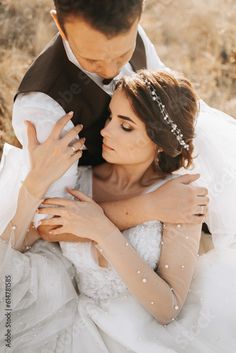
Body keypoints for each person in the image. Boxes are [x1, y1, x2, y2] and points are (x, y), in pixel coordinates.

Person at [1, 70, 236, 353]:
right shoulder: (79, 179)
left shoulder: (180, 198)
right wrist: (36, 180)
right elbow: (27, 239)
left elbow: (168, 309)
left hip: (144, 338)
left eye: (126, 126)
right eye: (110, 117)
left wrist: (104, 231)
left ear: (160, 142)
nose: (104, 131)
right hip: (70, 322)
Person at [12, 0, 211, 238]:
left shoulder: (131, 30)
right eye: (92, 60)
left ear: (138, 16)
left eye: (121, 56)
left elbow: (168, 108)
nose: (110, 71)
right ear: (59, 25)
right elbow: (50, 225)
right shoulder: (42, 106)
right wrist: (148, 207)